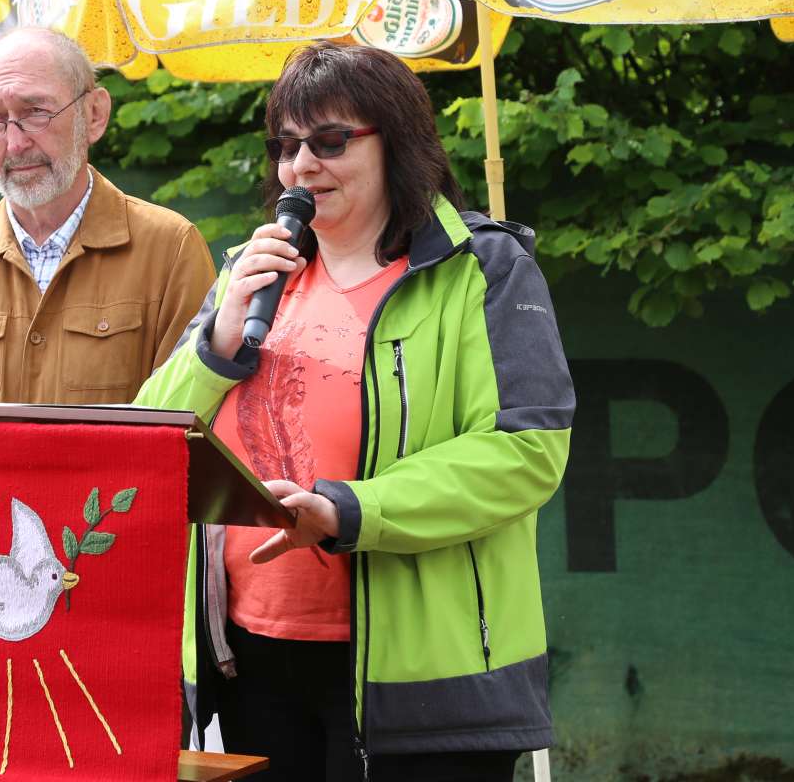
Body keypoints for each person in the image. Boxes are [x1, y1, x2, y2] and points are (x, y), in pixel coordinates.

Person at [136, 40, 574, 781]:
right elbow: (149, 444)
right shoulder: (254, 269)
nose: (301, 166)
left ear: (395, 143)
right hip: (251, 656)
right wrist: (216, 339)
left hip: (423, 679)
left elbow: (524, 451)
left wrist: (346, 511)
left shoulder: (483, 270)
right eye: (286, 145)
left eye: (330, 141)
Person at [0, 27, 217, 406]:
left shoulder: (170, 250)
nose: (15, 143)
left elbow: (191, 425)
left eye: (36, 112)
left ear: (94, 115)